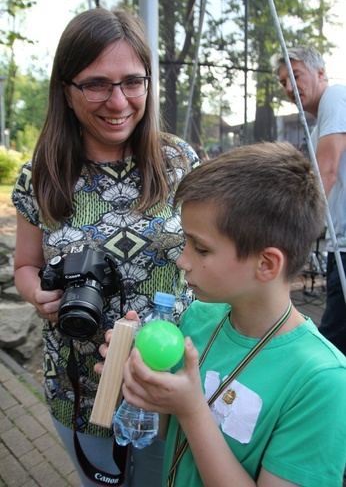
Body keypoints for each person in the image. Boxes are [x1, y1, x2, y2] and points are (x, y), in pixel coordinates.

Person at [11, 7, 199, 486]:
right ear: (66, 91)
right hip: (79, 385)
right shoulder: (42, 176)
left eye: (132, 82)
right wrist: (38, 295)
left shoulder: (180, 162)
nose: (118, 102)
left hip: (171, 382)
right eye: (96, 84)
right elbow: (26, 265)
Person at [97, 141, 346, 486]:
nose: (182, 260)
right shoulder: (199, 319)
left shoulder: (323, 382)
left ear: (266, 264)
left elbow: (191, 414)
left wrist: (192, 408)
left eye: (201, 248)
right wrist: (144, 375)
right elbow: (169, 433)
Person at [271, 45, 346, 355]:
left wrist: (296, 235)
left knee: (333, 337)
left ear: (320, 73)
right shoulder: (320, 126)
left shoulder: (336, 97)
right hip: (339, 244)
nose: (289, 88)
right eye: (282, 82)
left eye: (295, 76)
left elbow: (326, 171)